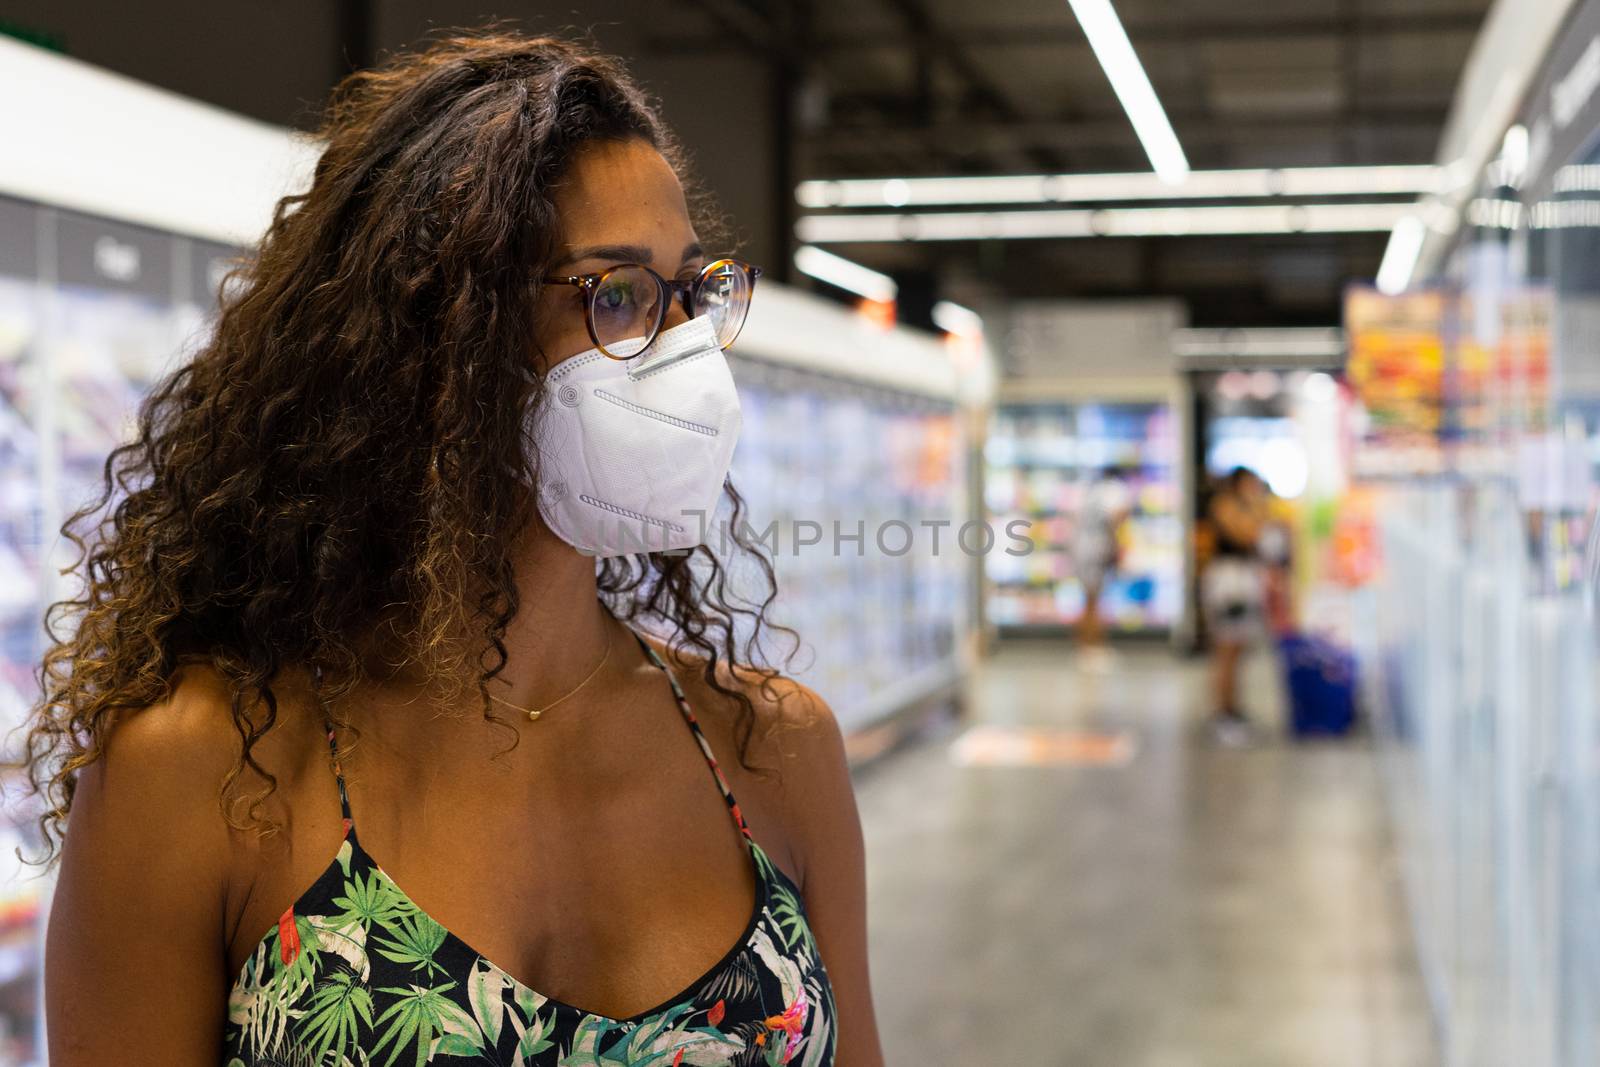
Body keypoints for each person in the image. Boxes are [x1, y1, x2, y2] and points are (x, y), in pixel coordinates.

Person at [28, 32, 881, 1067]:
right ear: (439, 339)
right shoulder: (205, 770)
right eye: (616, 294)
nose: (685, 353)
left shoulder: (772, 748)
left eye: (690, 294)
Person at [1200, 467, 1272, 745]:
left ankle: (1233, 708)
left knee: (1238, 649)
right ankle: (1222, 713)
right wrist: (1257, 510)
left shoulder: (1247, 506)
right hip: (1228, 584)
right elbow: (1248, 535)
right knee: (1227, 650)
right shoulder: (1225, 505)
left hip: (1243, 580)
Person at [1071, 466, 1133, 671]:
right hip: (1095, 549)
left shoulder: (1093, 491)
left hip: (1083, 548)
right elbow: (1118, 516)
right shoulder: (1115, 491)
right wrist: (1117, 546)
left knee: (1090, 599)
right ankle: (1091, 648)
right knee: (1093, 600)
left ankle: (1089, 647)